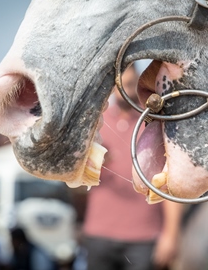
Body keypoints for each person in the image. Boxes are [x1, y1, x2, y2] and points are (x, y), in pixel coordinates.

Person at [81, 65, 184, 270]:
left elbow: (169, 183)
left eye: (130, 84)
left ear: (138, 81)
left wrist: (171, 234)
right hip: (98, 234)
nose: (126, 91)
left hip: (143, 237)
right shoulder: (96, 123)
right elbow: (76, 185)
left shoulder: (154, 122)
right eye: (121, 86)